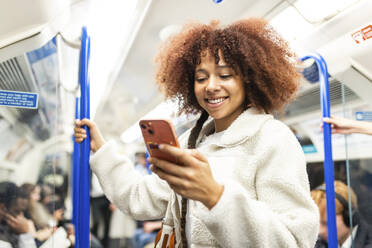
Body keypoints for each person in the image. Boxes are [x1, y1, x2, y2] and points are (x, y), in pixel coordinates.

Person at [74, 18, 319, 247]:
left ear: (249, 80)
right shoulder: (193, 141)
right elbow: (138, 198)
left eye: (225, 75)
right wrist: (101, 148)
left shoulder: (273, 139)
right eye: (201, 78)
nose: (211, 86)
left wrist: (216, 196)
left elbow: (293, 241)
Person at [312, 181, 372, 248]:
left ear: (349, 217)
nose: (320, 231)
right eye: (317, 224)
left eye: (327, 224)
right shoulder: (320, 243)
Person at [0, 182, 37, 248]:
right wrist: (25, 233)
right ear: (3, 208)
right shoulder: (3, 242)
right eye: (17, 212)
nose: (21, 218)